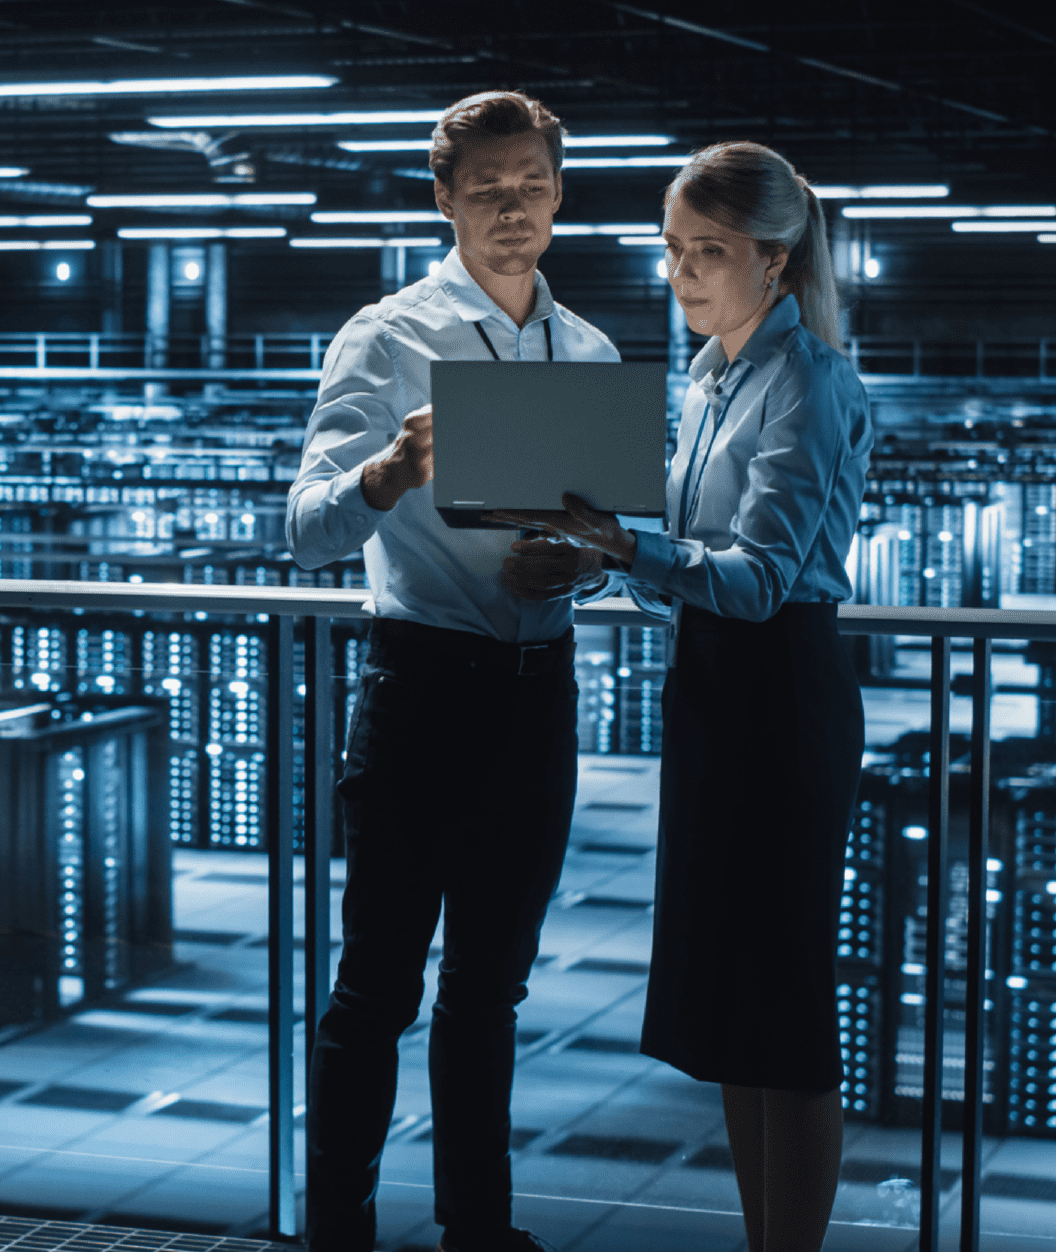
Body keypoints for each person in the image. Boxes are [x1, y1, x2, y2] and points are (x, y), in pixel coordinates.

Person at [490, 141, 872, 1252]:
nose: (681, 273)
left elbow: (756, 579)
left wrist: (629, 546)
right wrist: (599, 551)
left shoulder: (807, 380)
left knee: (786, 1010)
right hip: (715, 692)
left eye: (708, 251)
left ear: (777, 257)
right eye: (670, 249)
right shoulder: (712, 378)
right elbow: (686, 565)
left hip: (781, 697)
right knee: (736, 1011)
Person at [286, 90, 621, 1252]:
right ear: (443, 198)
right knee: (378, 986)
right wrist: (383, 474)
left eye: (529, 181)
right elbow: (305, 528)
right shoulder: (386, 336)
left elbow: (607, 542)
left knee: (491, 992)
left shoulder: (589, 351)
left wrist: (575, 566)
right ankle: (340, 1231)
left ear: (559, 190)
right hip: (421, 687)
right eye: (484, 186)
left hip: (540, 698)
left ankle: (480, 1232)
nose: (510, 205)